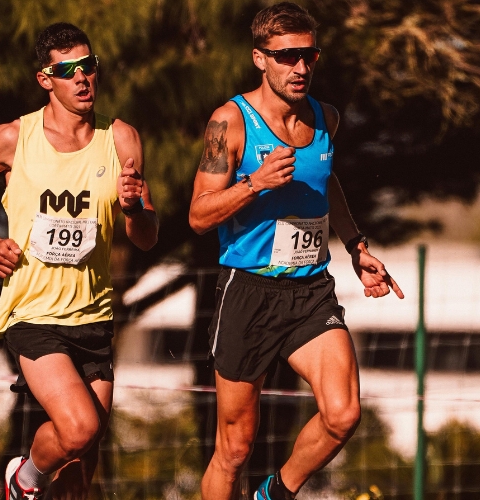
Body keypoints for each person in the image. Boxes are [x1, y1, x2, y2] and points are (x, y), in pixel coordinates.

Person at [188, 3, 404, 499]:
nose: (301, 68)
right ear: (260, 58)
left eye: (309, 55)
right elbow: (198, 216)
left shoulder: (325, 117)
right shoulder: (229, 122)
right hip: (249, 292)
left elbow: (326, 186)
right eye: (287, 57)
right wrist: (254, 185)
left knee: (343, 413)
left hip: (310, 291)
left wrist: (356, 245)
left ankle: (274, 493)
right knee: (235, 447)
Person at [0, 22, 158, 500]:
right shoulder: (14, 137)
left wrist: (134, 208)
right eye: (68, 70)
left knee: (81, 476)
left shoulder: (121, 139)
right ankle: (24, 478)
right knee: (78, 428)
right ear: (45, 79)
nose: (82, 79)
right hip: (34, 313)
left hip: (95, 316)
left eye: (89, 66)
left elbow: (146, 238)